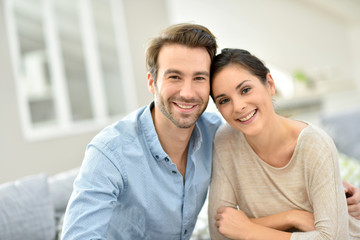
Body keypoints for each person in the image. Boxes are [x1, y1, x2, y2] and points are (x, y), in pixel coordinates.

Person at [61, 23, 223, 240]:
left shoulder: (218, 134)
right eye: (174, 77)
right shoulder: (110, 151)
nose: (187, 92)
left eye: (199, 78)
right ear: (152, 82)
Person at [208, 48, 360, 239]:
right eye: (224, 100)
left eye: (245, 90)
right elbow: (219, 230)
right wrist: (291, 217)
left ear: (270, 84)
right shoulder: (226, 141)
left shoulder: (315, 144)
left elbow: (334, 238)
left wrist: (248, 229)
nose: (238, 107)